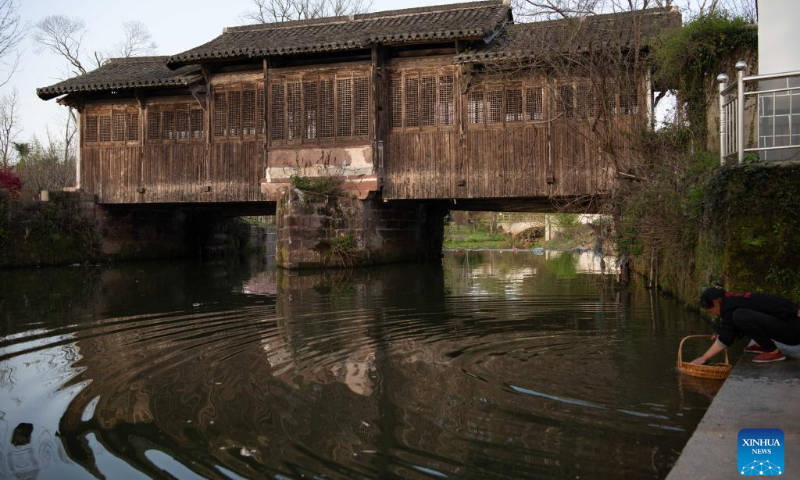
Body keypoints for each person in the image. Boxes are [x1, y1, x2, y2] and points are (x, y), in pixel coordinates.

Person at [691, 286, 800, 364]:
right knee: (739, 316)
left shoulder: (729, 307)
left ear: (715, 302)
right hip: (792, 325)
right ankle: (762, 344)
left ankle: (772, 351)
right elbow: (731, 328)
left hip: (794, 331)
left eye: (710, 311)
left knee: (739, 316)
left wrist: (704, 357)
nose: (714, 314)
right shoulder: (733, 300)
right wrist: (721, 333)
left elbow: (727, 336)